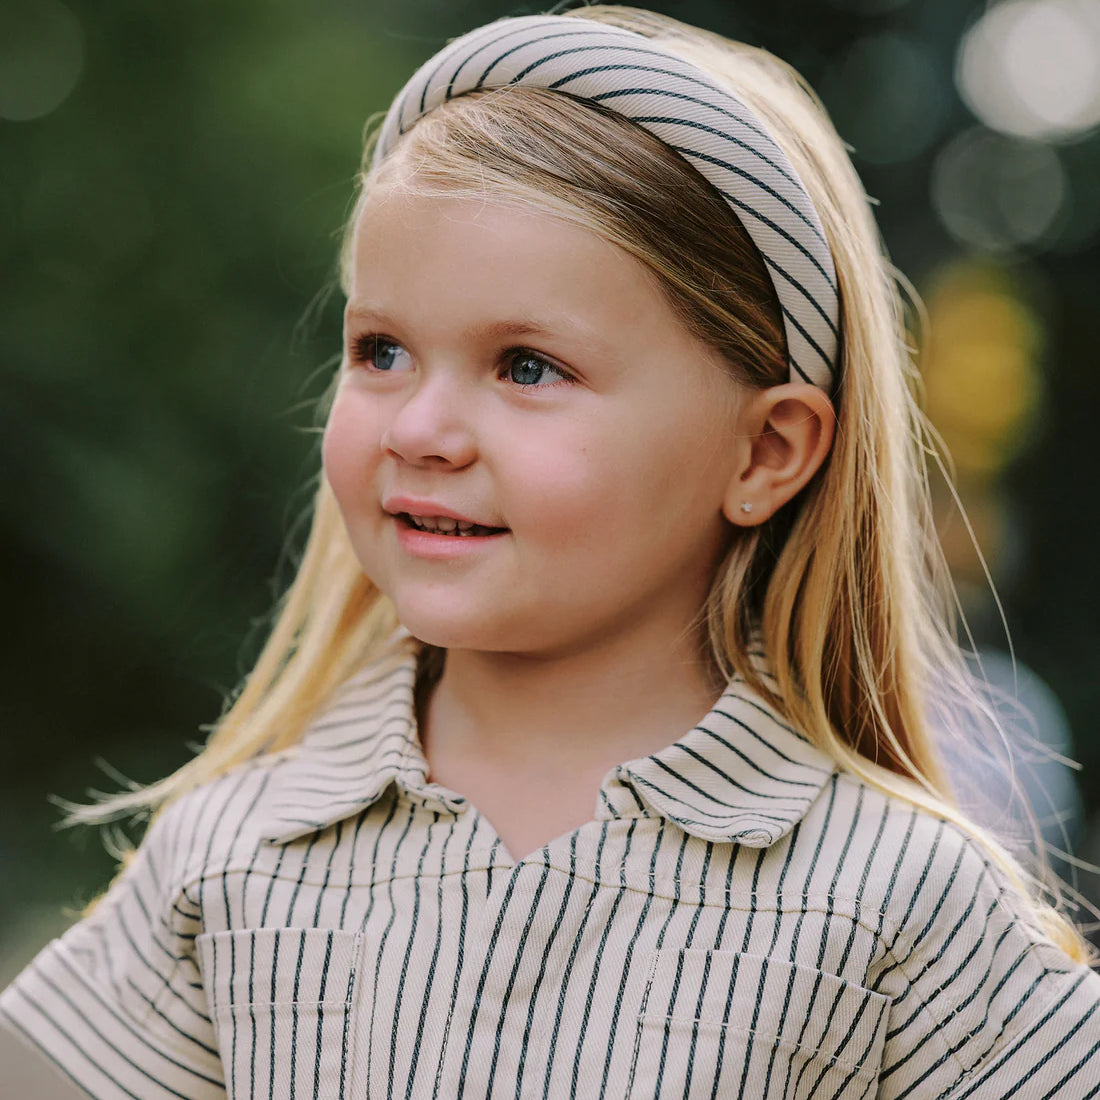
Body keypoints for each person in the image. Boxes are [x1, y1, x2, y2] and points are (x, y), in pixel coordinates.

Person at [2, 6, 1097, 1098]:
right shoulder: (230, 854)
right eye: (380, 349)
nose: (418, 427)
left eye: (526, 366)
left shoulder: (896, 902)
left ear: (764, 450)